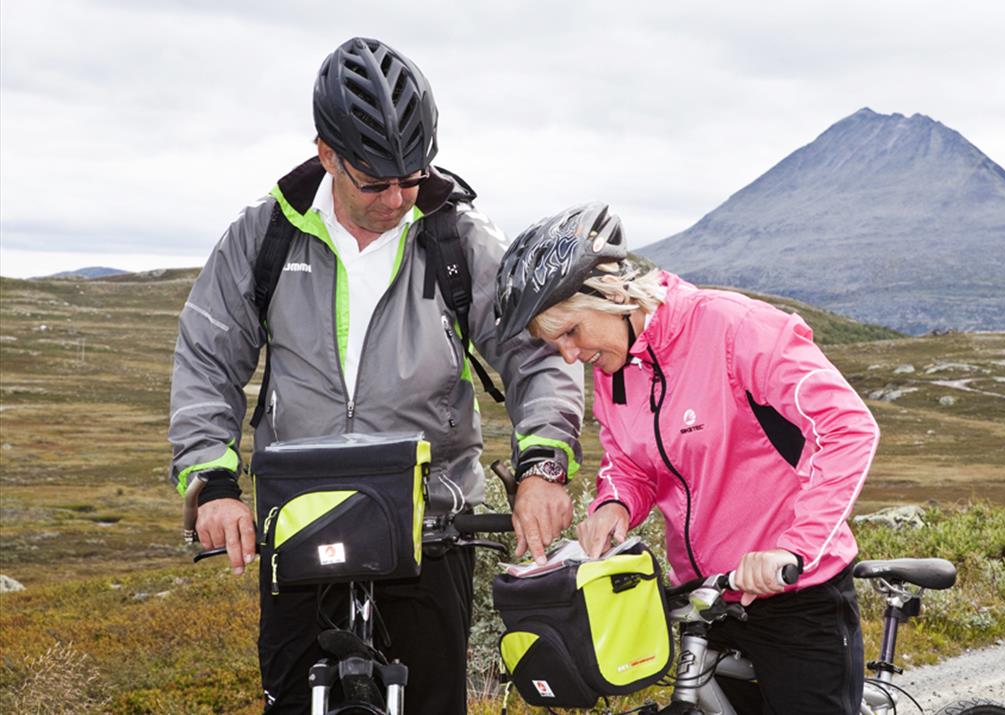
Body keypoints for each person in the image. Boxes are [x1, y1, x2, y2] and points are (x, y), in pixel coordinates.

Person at [168, 37, 583, 713]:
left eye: (412, 177)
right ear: (327, 153)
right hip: (300, 528)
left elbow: (536, 354)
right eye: (375, 180)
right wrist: (212, 482)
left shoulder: (460, 241)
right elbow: (206, 361)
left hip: (431, 536)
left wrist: (543, 465)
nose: (396, 198)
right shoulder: (264, 236)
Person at [494, 203, 878, 714]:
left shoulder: (736, 329)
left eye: (571, 333)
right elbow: (629, 464)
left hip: (795, 596)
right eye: (553, 343)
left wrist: (794, 550)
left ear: (611, 295)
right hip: (706, 602)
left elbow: (848, 427)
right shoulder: (616, 371)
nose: (569, 356)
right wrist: (615, 504)